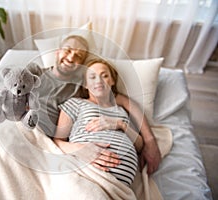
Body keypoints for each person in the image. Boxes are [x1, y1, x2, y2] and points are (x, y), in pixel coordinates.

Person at [26, 35, 160, 175]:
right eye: (68, 50)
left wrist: (150, 140)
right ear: (58, 51)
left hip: (45, 143)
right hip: (24, 129)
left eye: (78, 56)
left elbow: (128, 103)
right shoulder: (35, 74)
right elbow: (7, 91)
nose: (71, 58)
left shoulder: (79, 87)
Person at [53, 58, 143, 185]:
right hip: (86, 173)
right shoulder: (75, 103)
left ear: (112, 81)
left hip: (119, 187)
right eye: (92, 77)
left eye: (104, 76)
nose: (99, 80)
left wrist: (121, 125)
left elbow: (139, 145)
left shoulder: (121, 110)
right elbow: (57, 142)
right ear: (85, 84)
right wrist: (78, 148)